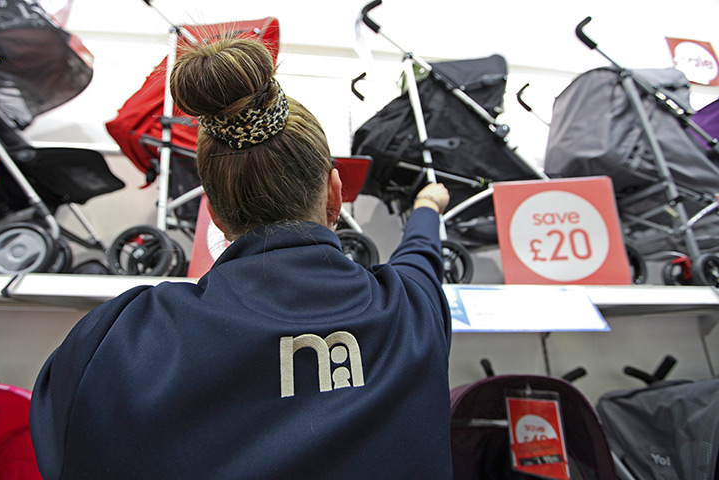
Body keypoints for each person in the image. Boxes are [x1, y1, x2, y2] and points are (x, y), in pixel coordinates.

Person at [29, 37, 453, 479]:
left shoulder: (123, 341)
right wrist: (426, 207)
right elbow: (420, 256)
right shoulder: (411, 311)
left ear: (212, 211)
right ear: (335, 195)